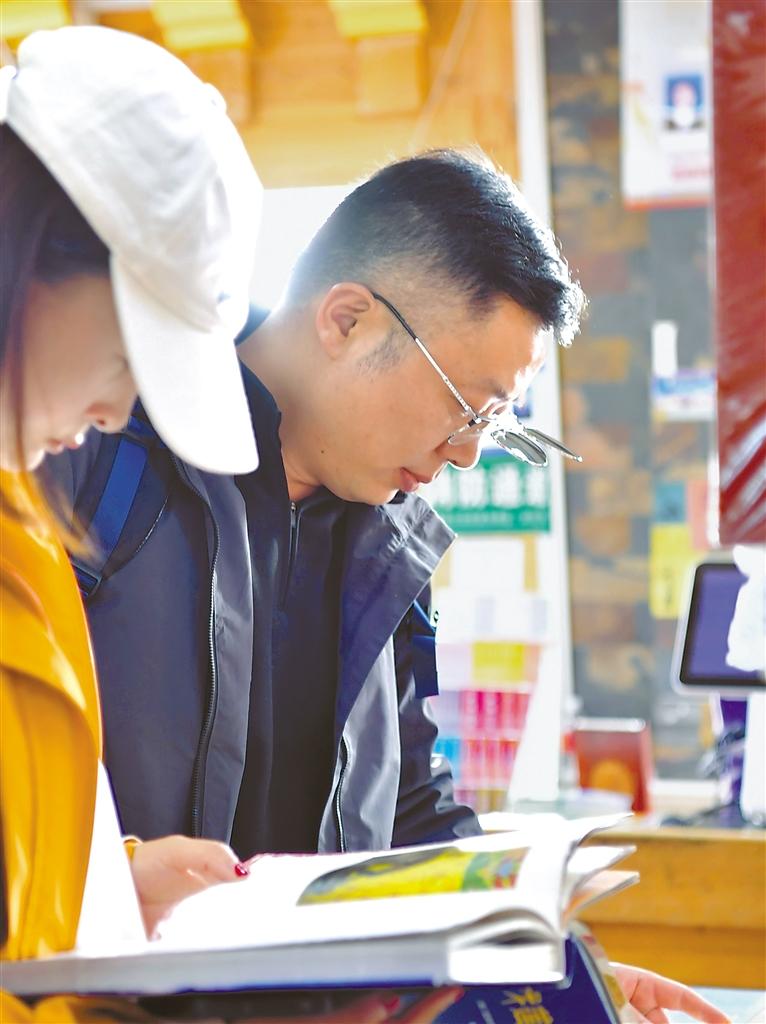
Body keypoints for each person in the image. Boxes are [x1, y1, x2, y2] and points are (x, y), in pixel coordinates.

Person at [46, 147, 728, 1023]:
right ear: (347, 319)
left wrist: (544, 971)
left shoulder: (391, 542)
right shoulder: (93, 448)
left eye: (495, 422)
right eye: (467, 406)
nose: (469, 453)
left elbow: (408, 806)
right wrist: (112, 873)